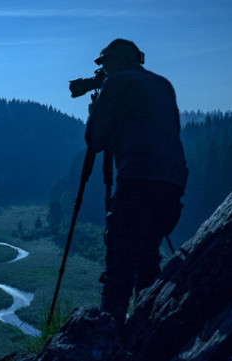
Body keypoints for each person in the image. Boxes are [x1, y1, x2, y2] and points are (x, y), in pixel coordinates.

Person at [85, 38, 188, 328]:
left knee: (120, 264)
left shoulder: (116, 83)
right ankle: (148, 332)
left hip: (136, 180)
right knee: (147, 258)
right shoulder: (163, 84)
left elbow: (96, 140)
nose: (103, 70)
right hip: (172, 181)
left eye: (104, 64)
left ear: (114, 61)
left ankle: (109, 335)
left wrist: (96, 112)